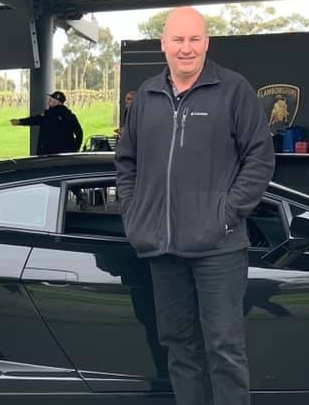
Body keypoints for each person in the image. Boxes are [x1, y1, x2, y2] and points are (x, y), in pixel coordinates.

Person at [114, 7, 275, 405]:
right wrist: (135, 215)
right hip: (162, 249)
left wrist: (226, 213)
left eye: (195, 39)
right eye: (178, 40)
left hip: (218, 249)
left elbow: (260, 159)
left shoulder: (233, 91)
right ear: (163, 44)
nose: (187, 48)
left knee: (224, 348)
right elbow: (126, 163)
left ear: (206, 42)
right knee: (180, 347)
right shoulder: (147, 97)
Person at [10, 91, 83, 155]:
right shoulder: (70, 116)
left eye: (51, 99)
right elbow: (79, 132)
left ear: (56, 102)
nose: (48, 101)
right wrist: (75, 149)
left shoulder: (49, 115)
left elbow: (35, 120)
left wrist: (20, 122)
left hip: (48, 153)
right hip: (65, 153)